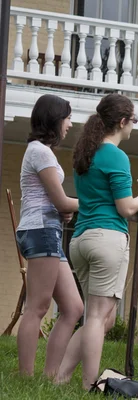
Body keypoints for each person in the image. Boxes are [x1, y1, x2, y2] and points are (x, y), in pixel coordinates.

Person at [54, 93, 138, 390]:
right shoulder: (116, 155)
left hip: (81, 240)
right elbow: (124, 208)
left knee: (100, 319)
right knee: (98, 317)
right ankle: (90, 386)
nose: (133, 126)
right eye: (133, 120)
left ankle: (60, 378)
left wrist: (135, 208)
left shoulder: (86, 152)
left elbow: (106, 203)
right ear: (122, 121)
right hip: (107, 240)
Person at [15, 94, 82, 378]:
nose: (70, 123)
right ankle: (26, 377)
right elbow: (62, 201)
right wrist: (97, 204)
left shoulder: (42, 151)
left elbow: (59, 202)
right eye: (67, 117)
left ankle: (49, 376)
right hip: (40, 230)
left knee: (73, 308)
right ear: (54, 119)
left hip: (47, 228)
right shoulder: (40, 152)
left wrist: (64, 210)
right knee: (38, 306)